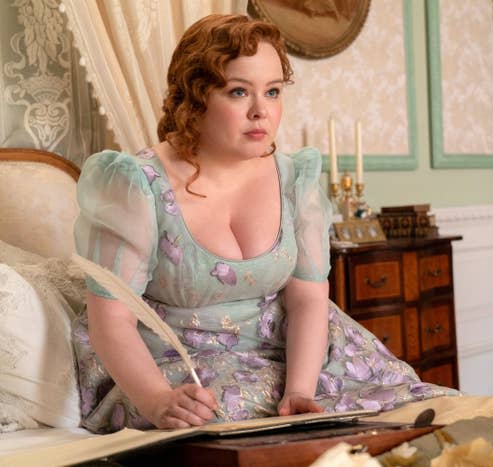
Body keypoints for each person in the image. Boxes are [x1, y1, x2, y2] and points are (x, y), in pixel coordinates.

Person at [72, 14, 455, 434]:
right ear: (194, 98)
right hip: (176, 364)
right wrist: (157, 399)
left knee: (409, 407)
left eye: (272, 91)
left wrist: (299, 390)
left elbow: (308, 300)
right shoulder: (134, 185)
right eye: (239, 92)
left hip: (295, 349)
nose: (261, 111)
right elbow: (111, 320)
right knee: (229, 415)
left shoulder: (294, 179)